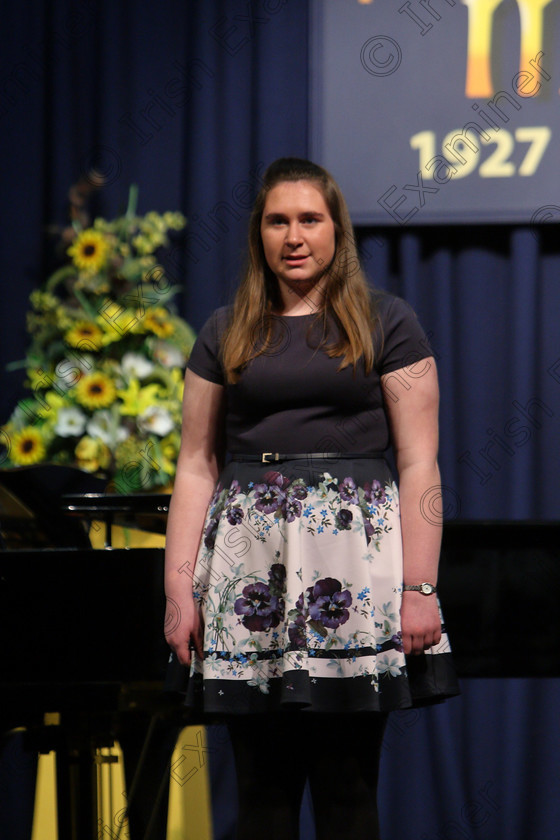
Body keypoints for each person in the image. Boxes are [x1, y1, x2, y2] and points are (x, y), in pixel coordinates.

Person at [164, 157, 459, 840]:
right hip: (248, 577)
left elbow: (418, 463)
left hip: (353, 575)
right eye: (277, 221)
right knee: (262, 796)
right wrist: (181, 591)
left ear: (336, 229)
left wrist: (421, 586)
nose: (293, 236)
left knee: (347, 789)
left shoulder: (388, 322)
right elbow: (194, 467)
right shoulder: (224, 330)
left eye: (309, 219)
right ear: (258, 234)